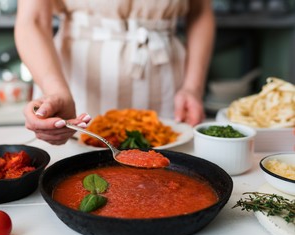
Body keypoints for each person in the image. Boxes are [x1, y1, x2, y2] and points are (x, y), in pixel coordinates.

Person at [15, 0, 215, 145]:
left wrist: (192, 87)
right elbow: (33, 21)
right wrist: (56, 92)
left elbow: (200, 11)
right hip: (74, 86)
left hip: (167, 85)